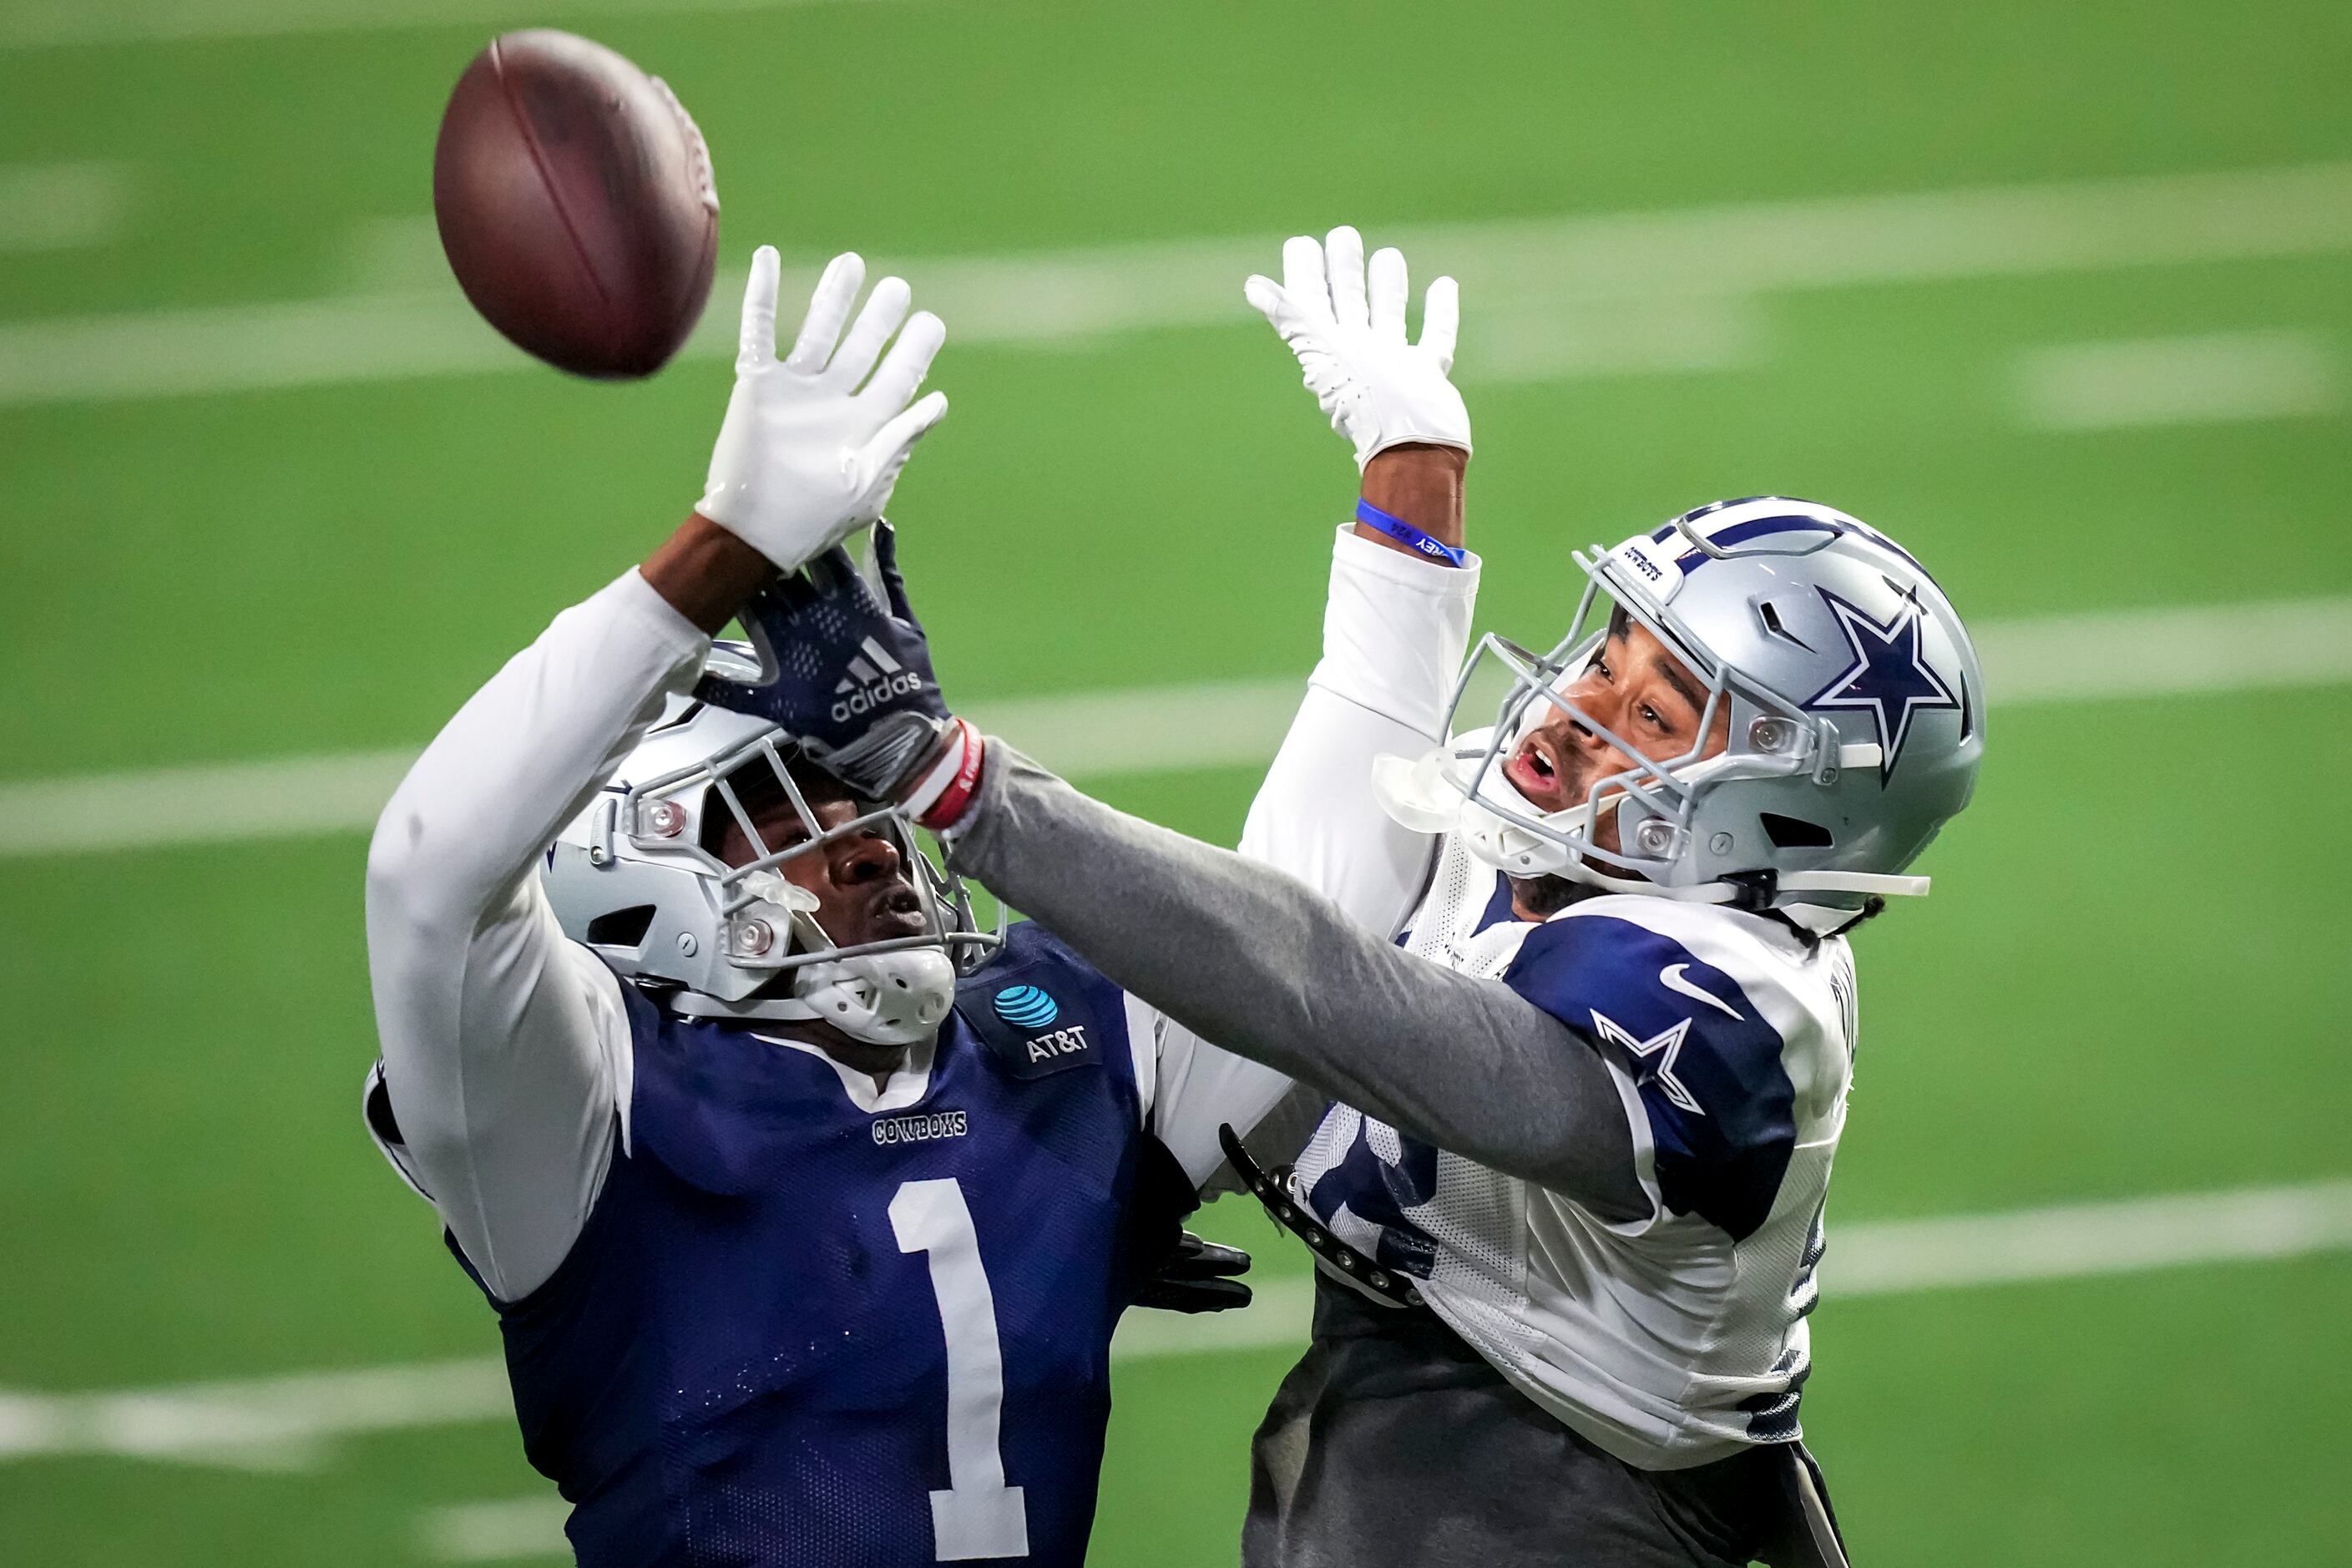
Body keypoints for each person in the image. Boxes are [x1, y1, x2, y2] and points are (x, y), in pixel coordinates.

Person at [730, 226, 1985, 1566]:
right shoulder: (1511, 823)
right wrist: (1415, 464)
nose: (1579, 699)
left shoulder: (1731, 1007)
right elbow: (1294, 866)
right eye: (1610, 649)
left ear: (1775, 811)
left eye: (1656, 709)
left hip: (1584, 1499)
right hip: (1408, 1427)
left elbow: (1322, 995)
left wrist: (953, 778)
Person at [360, 235, 1481, 1565]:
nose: (865, 837)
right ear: (633, 886)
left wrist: (1412, 487)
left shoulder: (1040, 1043)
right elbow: (430, 878)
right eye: (778, 815)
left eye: (864, 796)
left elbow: (1317, 941)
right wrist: (717, 557)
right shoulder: (585, 1116)